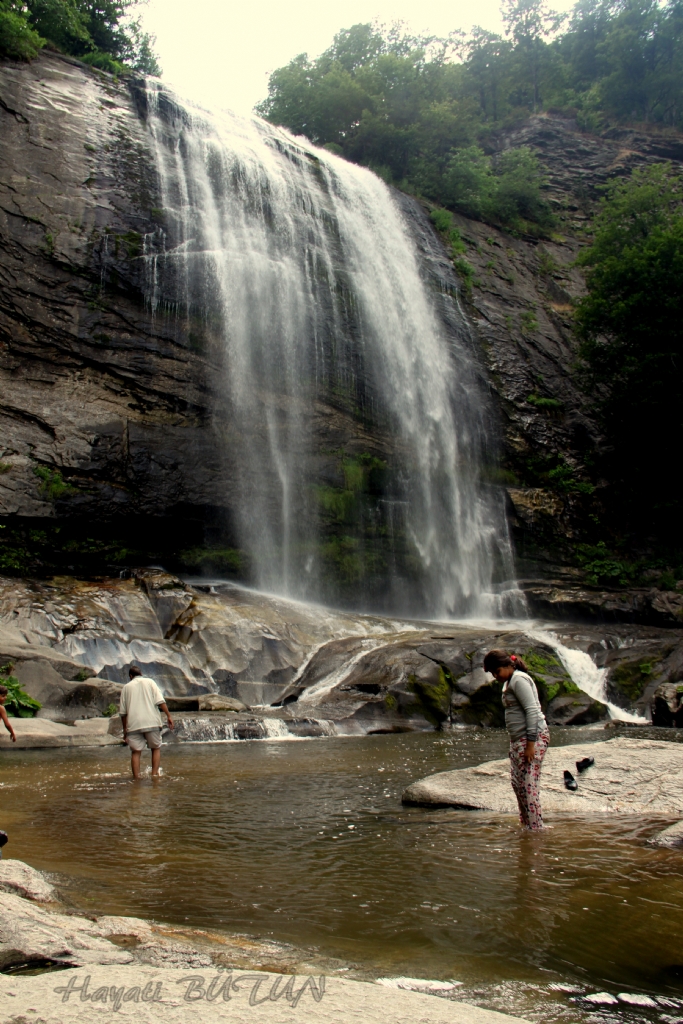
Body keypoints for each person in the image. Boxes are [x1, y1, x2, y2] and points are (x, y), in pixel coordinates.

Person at [483, 650, 550, 831]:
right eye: (492, 673)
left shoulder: (519, 679)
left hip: (531, 739)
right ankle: (527, 826)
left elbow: (532, 711)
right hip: (518, 740)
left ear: (507, 665)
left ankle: (536, 831)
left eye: (496, 672)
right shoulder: (510, 682)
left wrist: (530, 745)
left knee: (528, 786)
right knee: (518, 784)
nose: (495, 676)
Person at [119, 666, 174, 779]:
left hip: (134, 724)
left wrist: (125, 731)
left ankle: (137, 779)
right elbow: (160, 701)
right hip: (151, 722)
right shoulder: (150, 682)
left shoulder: (126, 687)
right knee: (155, 748)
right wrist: (169, 716)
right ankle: (154, 776)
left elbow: (123, 713)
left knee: (135, 752)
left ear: (130, 676)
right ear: (141, 674)